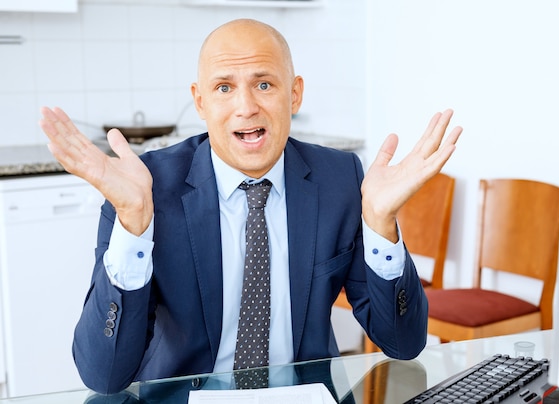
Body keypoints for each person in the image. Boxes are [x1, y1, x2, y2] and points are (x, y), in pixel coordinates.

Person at [39, 18, 462, 395]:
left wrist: (380, 222)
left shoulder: (340, 179)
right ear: (200, 101)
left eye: (264, 84)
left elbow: (404, 344)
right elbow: (103, 376)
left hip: (306, 395)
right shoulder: (144, 188)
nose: (246, 107)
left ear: (294, 94)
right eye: (224, 87)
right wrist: (132, 223)